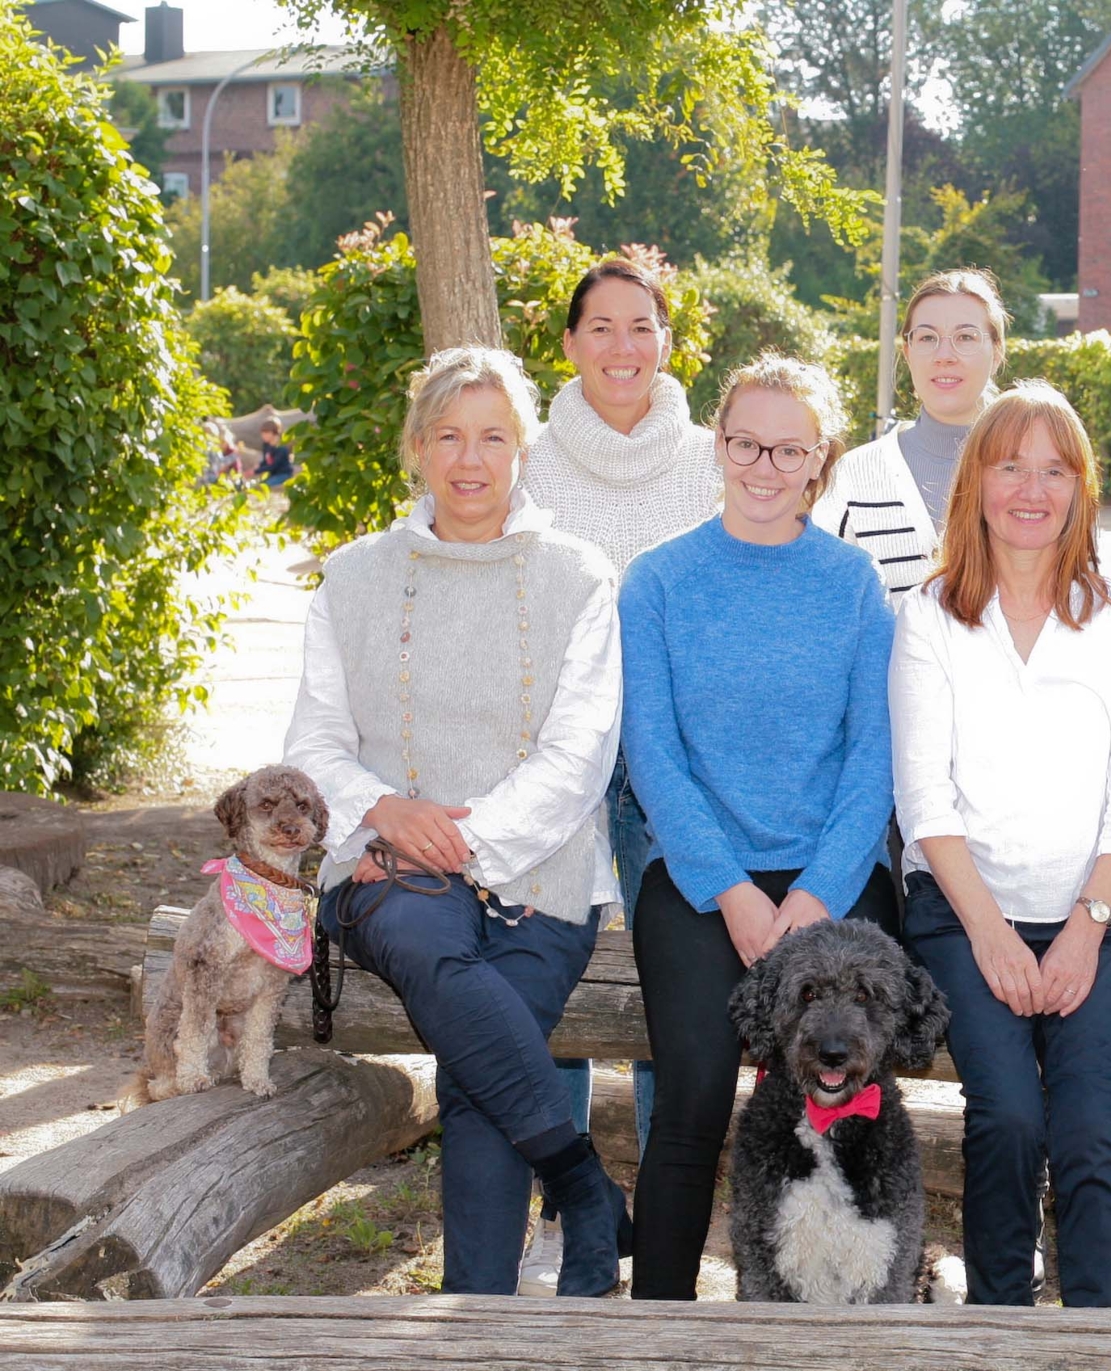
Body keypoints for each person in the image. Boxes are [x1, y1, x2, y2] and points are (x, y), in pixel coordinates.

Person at [284, 346, 629, 1297]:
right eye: (448, 436)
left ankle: (478, 1316)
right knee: (436, 956)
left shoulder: (578, 576)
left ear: (524, 450)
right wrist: (386, 810)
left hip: (540, 870)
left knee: (482, 1069)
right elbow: (313, 741)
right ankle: (584, 1188)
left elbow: (579, 754)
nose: (469, 460)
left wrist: (463, 841)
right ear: (417, 447)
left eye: (492, 438)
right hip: (385, 868)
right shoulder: (353, 577)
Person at [619, 354, 897, 1300]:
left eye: (789, 449)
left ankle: (850, 1306)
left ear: (821, 458)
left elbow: (872, 758)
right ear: (719, 444)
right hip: (703, 879)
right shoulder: (659, 581)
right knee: (694, 1101)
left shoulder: (853, 583)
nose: (765, 467)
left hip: (836, 877)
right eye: (747, 444)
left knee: (848, 1094)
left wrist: (814, 897)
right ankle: (658, 1327)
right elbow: (654, 756)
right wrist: (732, 892)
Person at [892, 381, 1111, 1307]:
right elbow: (924, 800)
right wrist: (993, 935)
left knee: (1087, 1131)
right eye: (1011, 466)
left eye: (1055, 470)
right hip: (962, 916)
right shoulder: (930, 615)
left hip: (1093, 915)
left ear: (1083, 489)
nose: (1032, 490)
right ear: (976, 481)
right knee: (1007, 1117)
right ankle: (1000, 1326)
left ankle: (1096, 1341)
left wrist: (1086, 930)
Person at [517, 257, 720, 1294]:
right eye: (600, 326)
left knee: (670, 978)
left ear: (668, 342)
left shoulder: (713, 460)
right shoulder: (526, 461)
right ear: (569, 343)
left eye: (642, 326)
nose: (622, 346)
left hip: (670, 765)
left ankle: (666, 1209)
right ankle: (571, 1205)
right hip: (552, 759)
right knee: (551, 976)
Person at [812, 269, 1010, 602]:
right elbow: (824, 600)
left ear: (997, 351)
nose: (944, 355)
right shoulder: (855, 475)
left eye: (965, 337)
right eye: (927, 338)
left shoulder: (1035, 471)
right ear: (907, 352)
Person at [259, 416, 296, 486]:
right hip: (272, 474)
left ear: (274, 432)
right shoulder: (266, 446)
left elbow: (274, 465)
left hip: (283, 474)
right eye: (263, 433)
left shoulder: (281, 447)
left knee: (267, 485)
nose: (263, 435)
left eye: (266, 432)